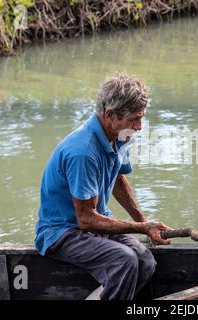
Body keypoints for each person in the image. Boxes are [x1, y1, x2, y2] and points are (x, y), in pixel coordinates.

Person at [34, 73, 171, 300]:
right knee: (124, 261)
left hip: (93, 225)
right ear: (110, 115)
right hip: (63, 232)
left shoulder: (120, 135)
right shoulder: (83, 152)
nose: (139, 127)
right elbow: (86, 220)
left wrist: (142, 222)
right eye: (134, 119)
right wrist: (143, 228)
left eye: (142, 118)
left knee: (144, 261)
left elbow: (117, 179)